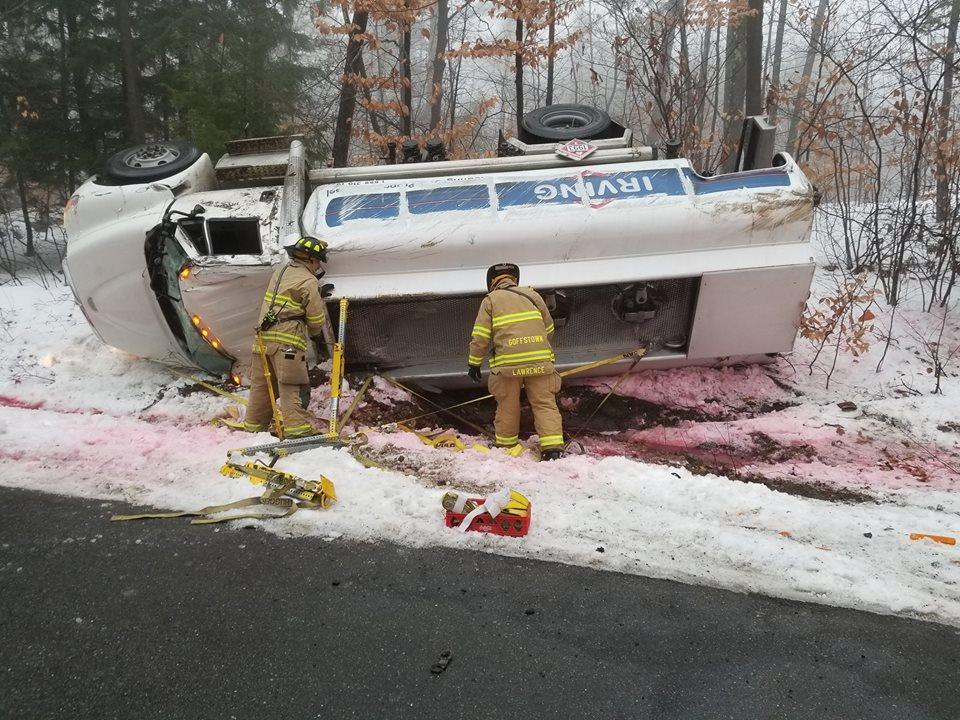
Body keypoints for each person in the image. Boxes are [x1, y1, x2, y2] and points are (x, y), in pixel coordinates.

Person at [467, 262, 565, 460]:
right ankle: (553, 449)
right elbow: (549, 328)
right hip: (540, 363)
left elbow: (480, 337)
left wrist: (474, 363)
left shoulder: (490, 300)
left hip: (507, 367)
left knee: (507, 405)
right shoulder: (533, 295)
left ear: (492, 282)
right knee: (545, 404)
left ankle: (506, 447)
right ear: (515, 279)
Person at [244, 236, 329, 438]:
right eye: (318, 261)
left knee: (261, 386)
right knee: (291, 385)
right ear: (310, 259)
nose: (319, 265)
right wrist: (316, 334)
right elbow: (316, 319)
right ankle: (298, 430)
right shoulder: (309, 281)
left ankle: (254, 427)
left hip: (262, 340)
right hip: (288, 343)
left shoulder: (280, 271)